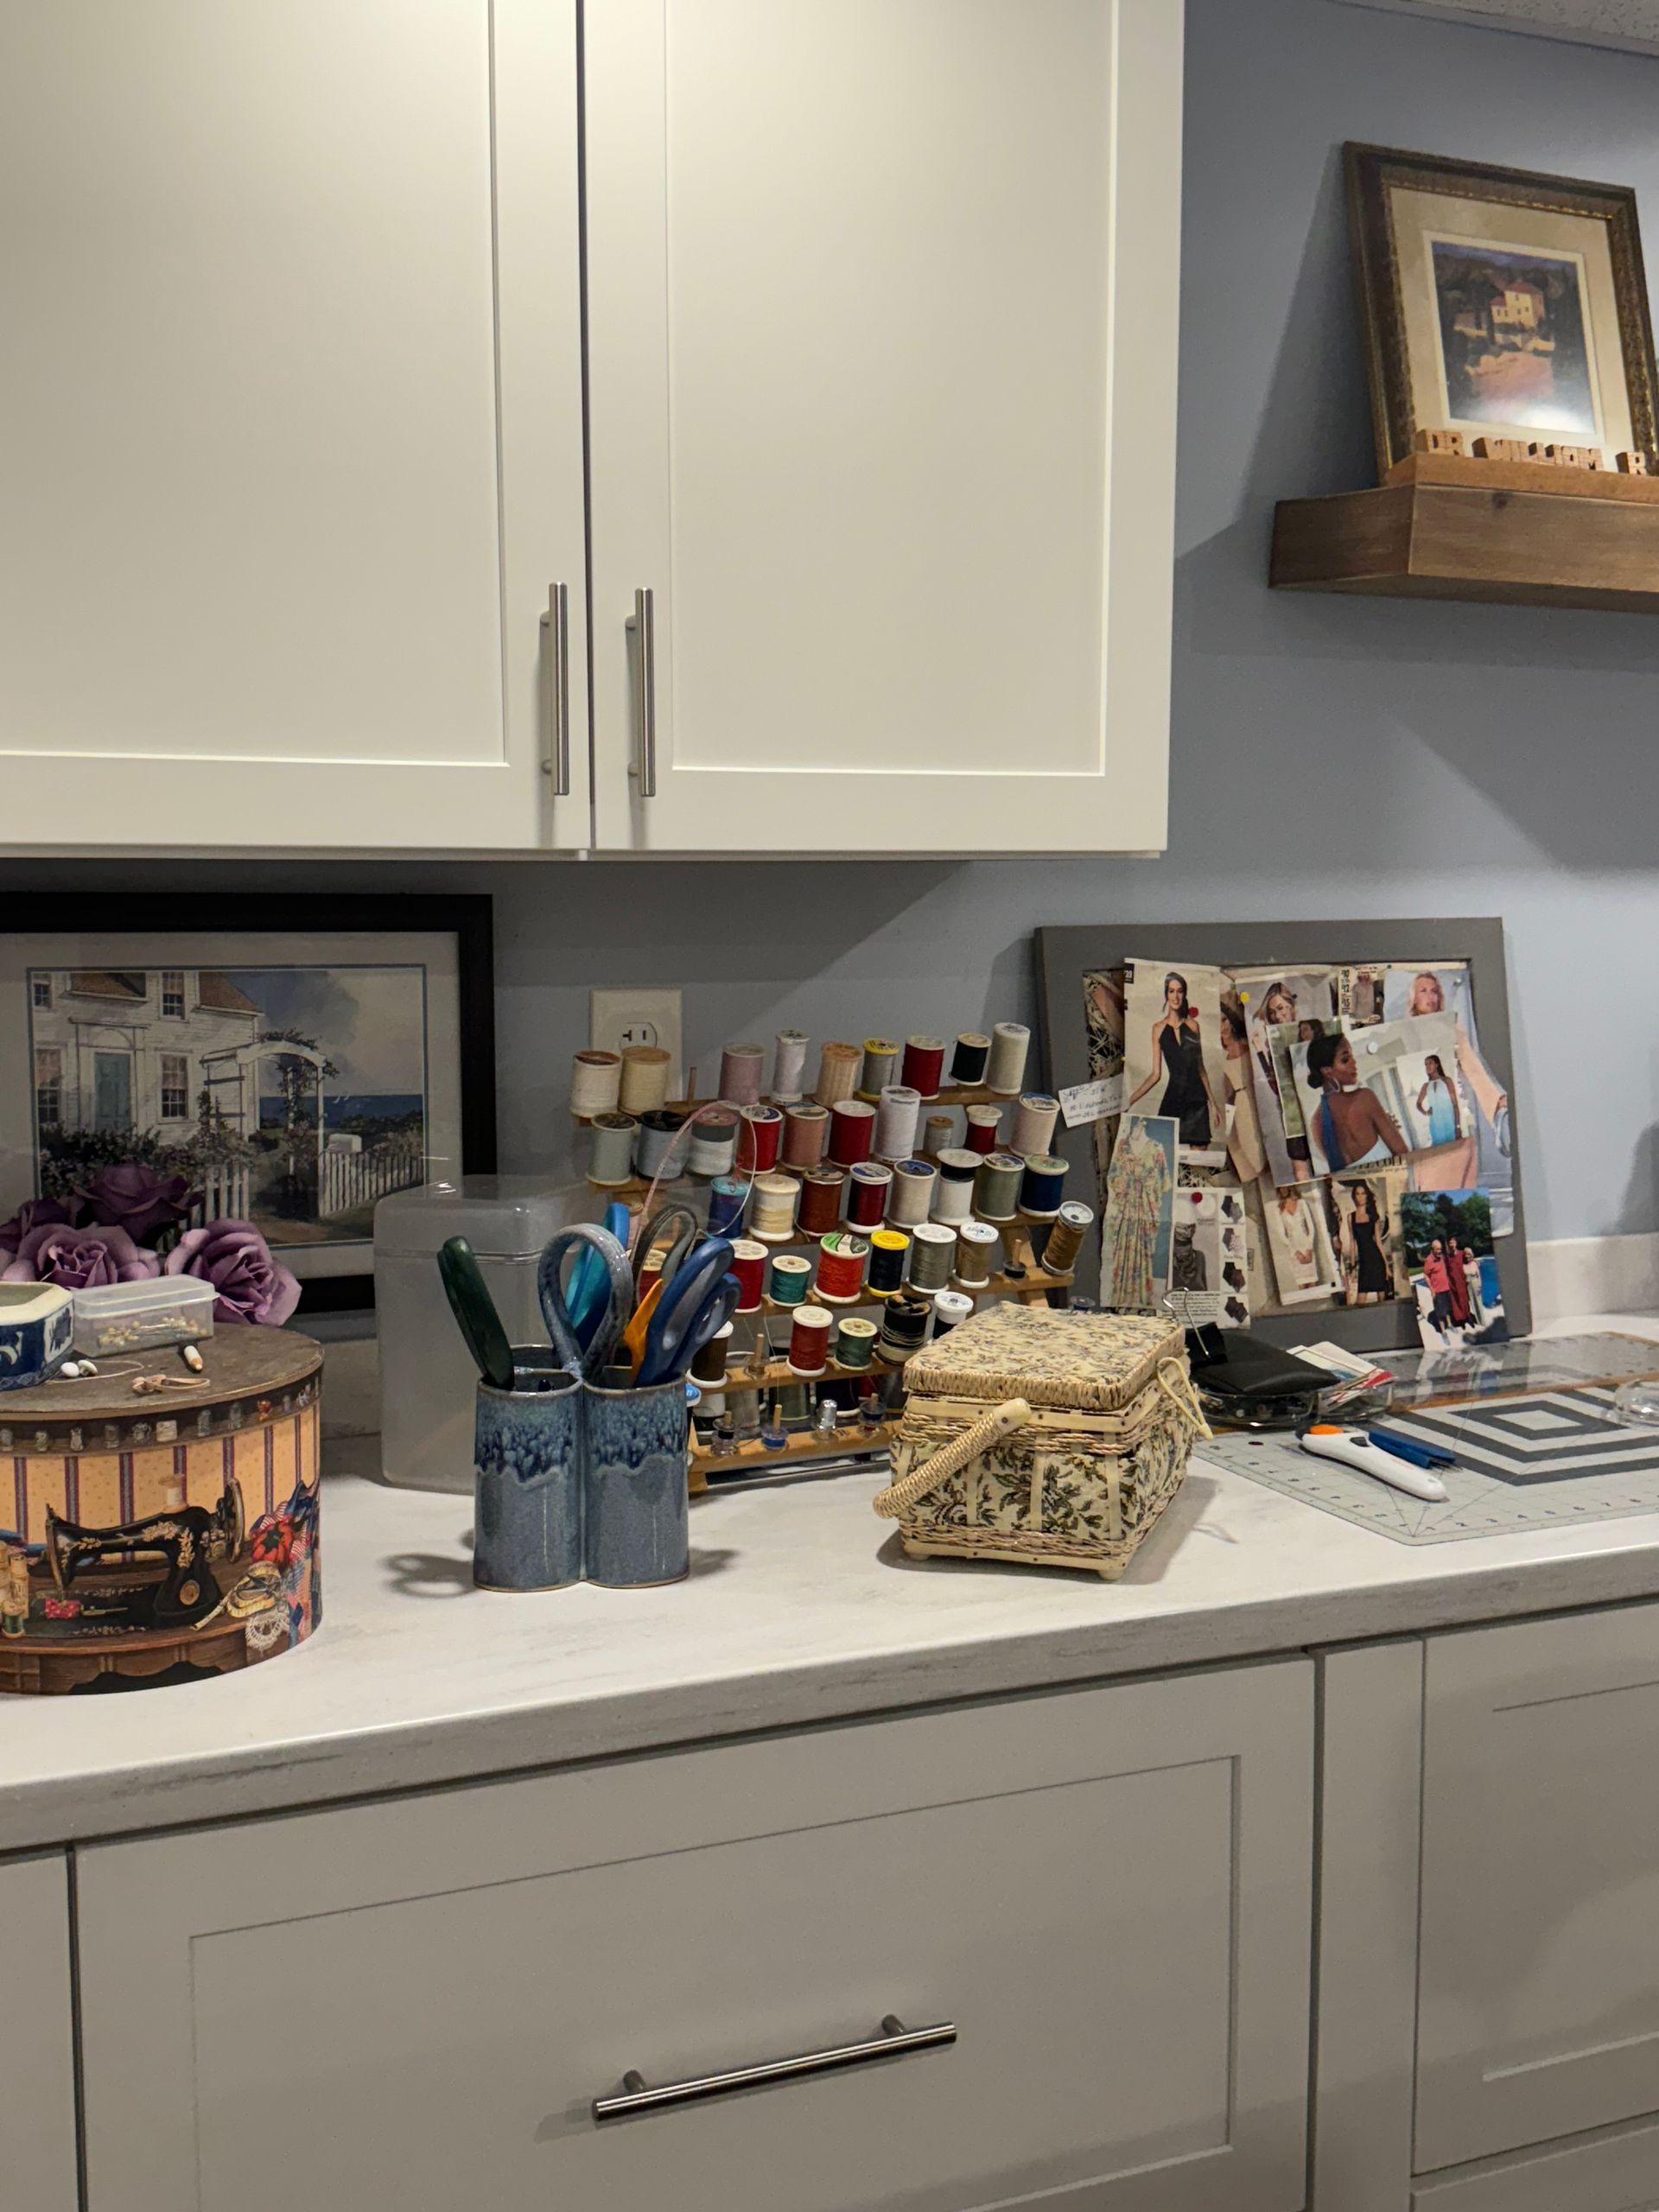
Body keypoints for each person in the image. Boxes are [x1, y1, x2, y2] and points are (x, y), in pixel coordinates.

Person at [1126, 970, 1220, 1147]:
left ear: (1184, 994)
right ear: (1166, 994)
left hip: (1196, 1101)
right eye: (1171, 991)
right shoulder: (1158, 1029)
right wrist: (1130, 1100)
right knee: (1163, 1152)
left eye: (1180, 991)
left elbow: (1200, 1068)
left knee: (1199, 1154)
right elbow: (1156, 1074)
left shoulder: (1193, 1025)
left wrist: (1213, 1105)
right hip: (1173, 1099)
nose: (1175, 996)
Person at [1304, 1032, 1408, 1172]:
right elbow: (1404, 1156)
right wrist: (1389, 1129)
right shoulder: (1364, 1098)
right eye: (1345, 1059)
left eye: (1352, 1056)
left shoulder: (1316, 1122)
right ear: (1326, 1071)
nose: (1354, 1062)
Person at [1346, 1179, 1391, 1302]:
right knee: (1360, 1301)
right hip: (1364, 1263)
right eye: (1357, 1194)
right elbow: (1352, 1243)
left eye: (1363, 1193)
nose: (1360, 1197)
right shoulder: (1350, 1217)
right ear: (1354, 1197)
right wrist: (1353, 1267)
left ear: (1367, 1196)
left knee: (1382, 1300)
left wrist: (1386, 1265)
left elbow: (1378, 1242)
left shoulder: (1373, 1217)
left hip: (1376, 1260)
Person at [1273, 1186, 1325, 1293]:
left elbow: (1311, 1227)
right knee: (1302, 1287)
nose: (1283, 1190)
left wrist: (1309, 1248)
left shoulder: (1301, 1203)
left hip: (1307, 1247)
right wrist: (1296, 1253)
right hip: (1294, 1251)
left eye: (1285, 1186)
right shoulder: (1278, 1209)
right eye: (1280, 1188)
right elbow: (1282, 1236)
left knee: (1313, 1285)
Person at [1416, 1052, 1462, 1147]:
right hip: (1436, 1124)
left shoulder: (1447, 1081)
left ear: (1437, 1065)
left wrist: (1458, 1127)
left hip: (1450, 1121)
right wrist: (1426, 1113)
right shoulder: (1426, 1086)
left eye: (1430, 1063)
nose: (1427, 1066)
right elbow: (1418, 1104)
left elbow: (1455, 1105)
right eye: (1426, 1064)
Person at [1421, 1238, 1455, 1337]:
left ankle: (1450, 1325)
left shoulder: (1442, 1257)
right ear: (1432, 1249)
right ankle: (1443, 1330)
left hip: (1446, 1288)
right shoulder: (1429, 1260)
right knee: (1440, 1312)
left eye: (1440, 1249)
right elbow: (1426, 1275)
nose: (1439, 1251)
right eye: (1437, 1249)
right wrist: (1432, 1290)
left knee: (1448, 1309)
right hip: (1437, 1290)